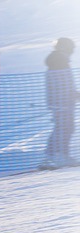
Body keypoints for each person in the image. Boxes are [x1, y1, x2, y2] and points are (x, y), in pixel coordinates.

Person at [42, 37, 79, 169]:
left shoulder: (58, 60)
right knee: (65, 128)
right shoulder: (60, 61)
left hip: (61, 101)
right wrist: (73, 94)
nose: (72, 51)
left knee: (62, 128)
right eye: (71, 48)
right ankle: (59, 155)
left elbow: (64, 83)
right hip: (62, 102)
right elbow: (63, 83)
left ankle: (52, 155)